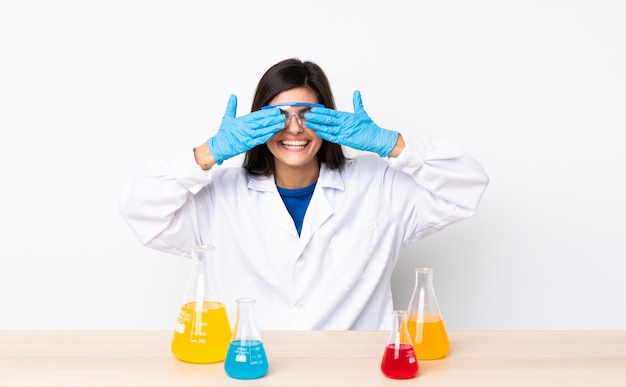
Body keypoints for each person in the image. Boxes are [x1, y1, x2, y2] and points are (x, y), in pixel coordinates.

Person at [119, 58, 489, 330]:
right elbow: (141, 211)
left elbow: (466, 186)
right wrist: (207, 153)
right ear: (255, 123)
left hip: (356, 380)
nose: (293, 129)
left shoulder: (379, 186)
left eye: (307, 114)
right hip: (248, 373)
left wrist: (393, 145)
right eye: (279, 116)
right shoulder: (219, 197)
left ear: (328, 119)